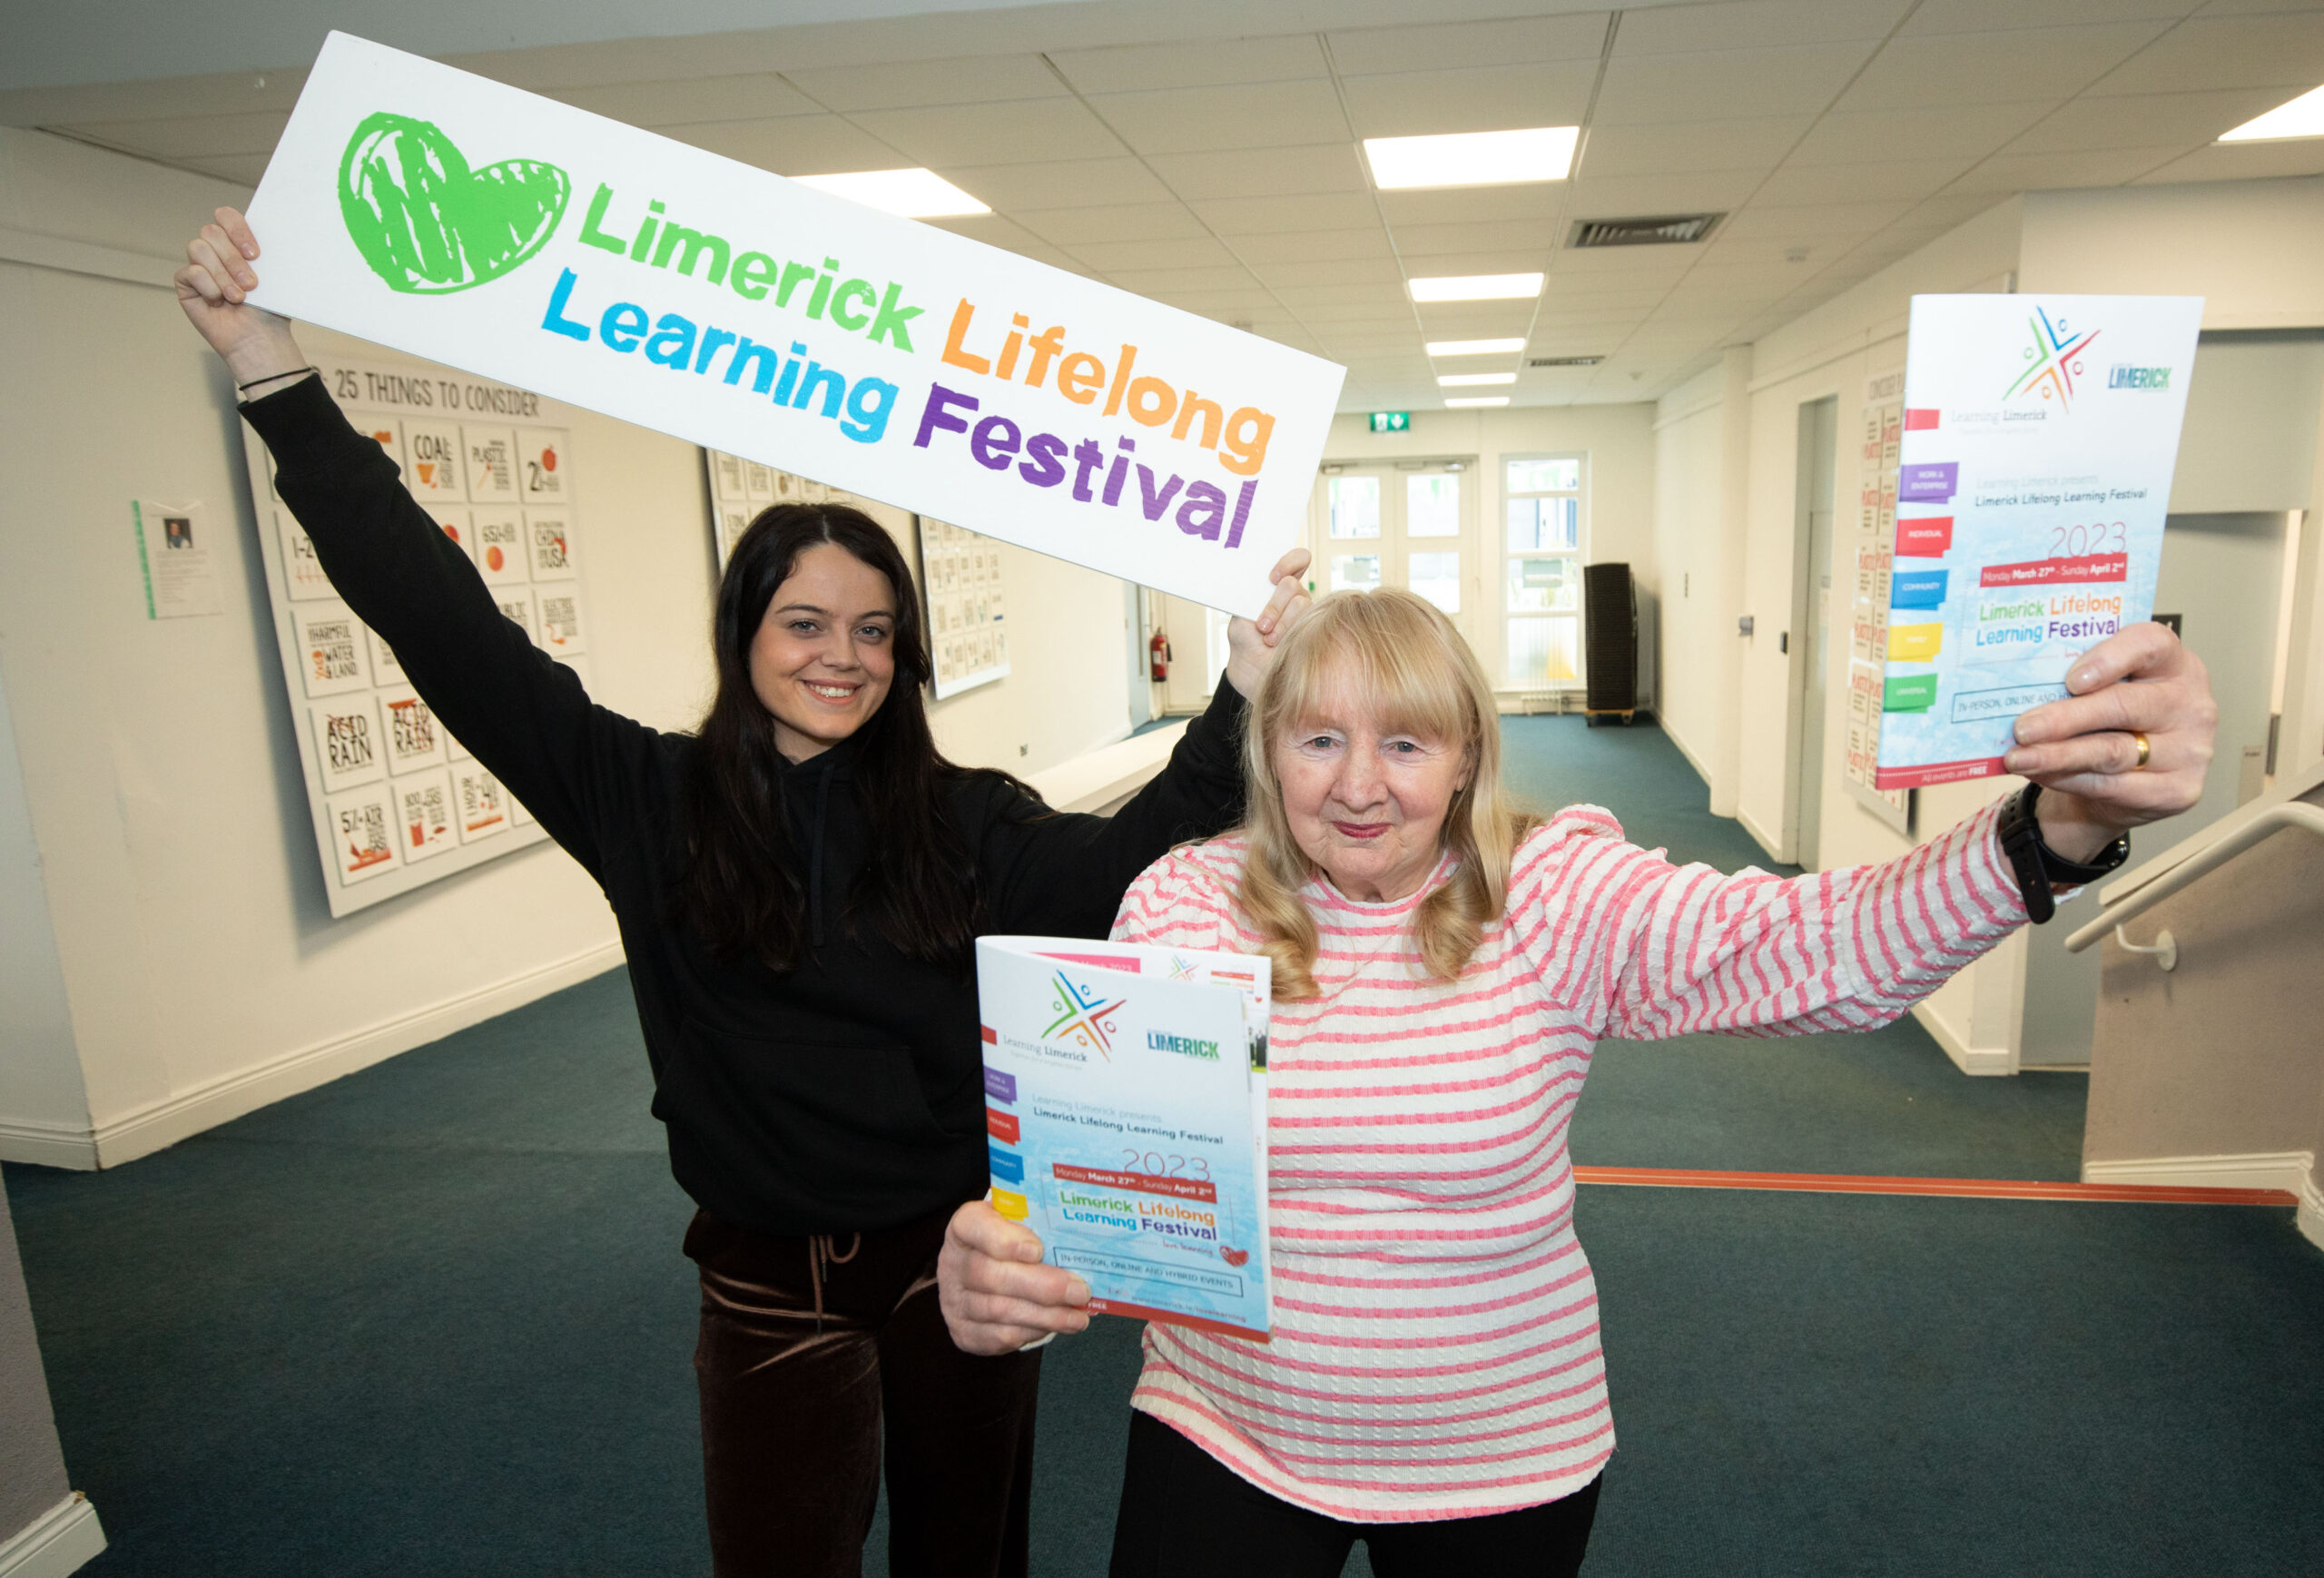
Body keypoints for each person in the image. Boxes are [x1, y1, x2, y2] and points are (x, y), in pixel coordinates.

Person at [175, 205, 1312, 1578]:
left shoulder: (967, 819)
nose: (845, 655)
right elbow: (444, 626)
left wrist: (1242, 687)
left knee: (970, 1558)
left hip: (956, 1255)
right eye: (807, 621)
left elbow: (1133, 863)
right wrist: (269, 367)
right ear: (746, 630)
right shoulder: (642, 798)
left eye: (877, 630)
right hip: (762, 1281)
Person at [937, 588, 2218, 1576]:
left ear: (1469, 757)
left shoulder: (1552, 892)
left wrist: (2048, 833)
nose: (1362, 782)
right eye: (1318, 736)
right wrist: (998, 1245)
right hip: (1226, 1430)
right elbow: (1090, 1173)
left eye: (1407, 741)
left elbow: (1809, 950)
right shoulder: (1183, 903)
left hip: (1503, 1449)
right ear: (1269, 753)